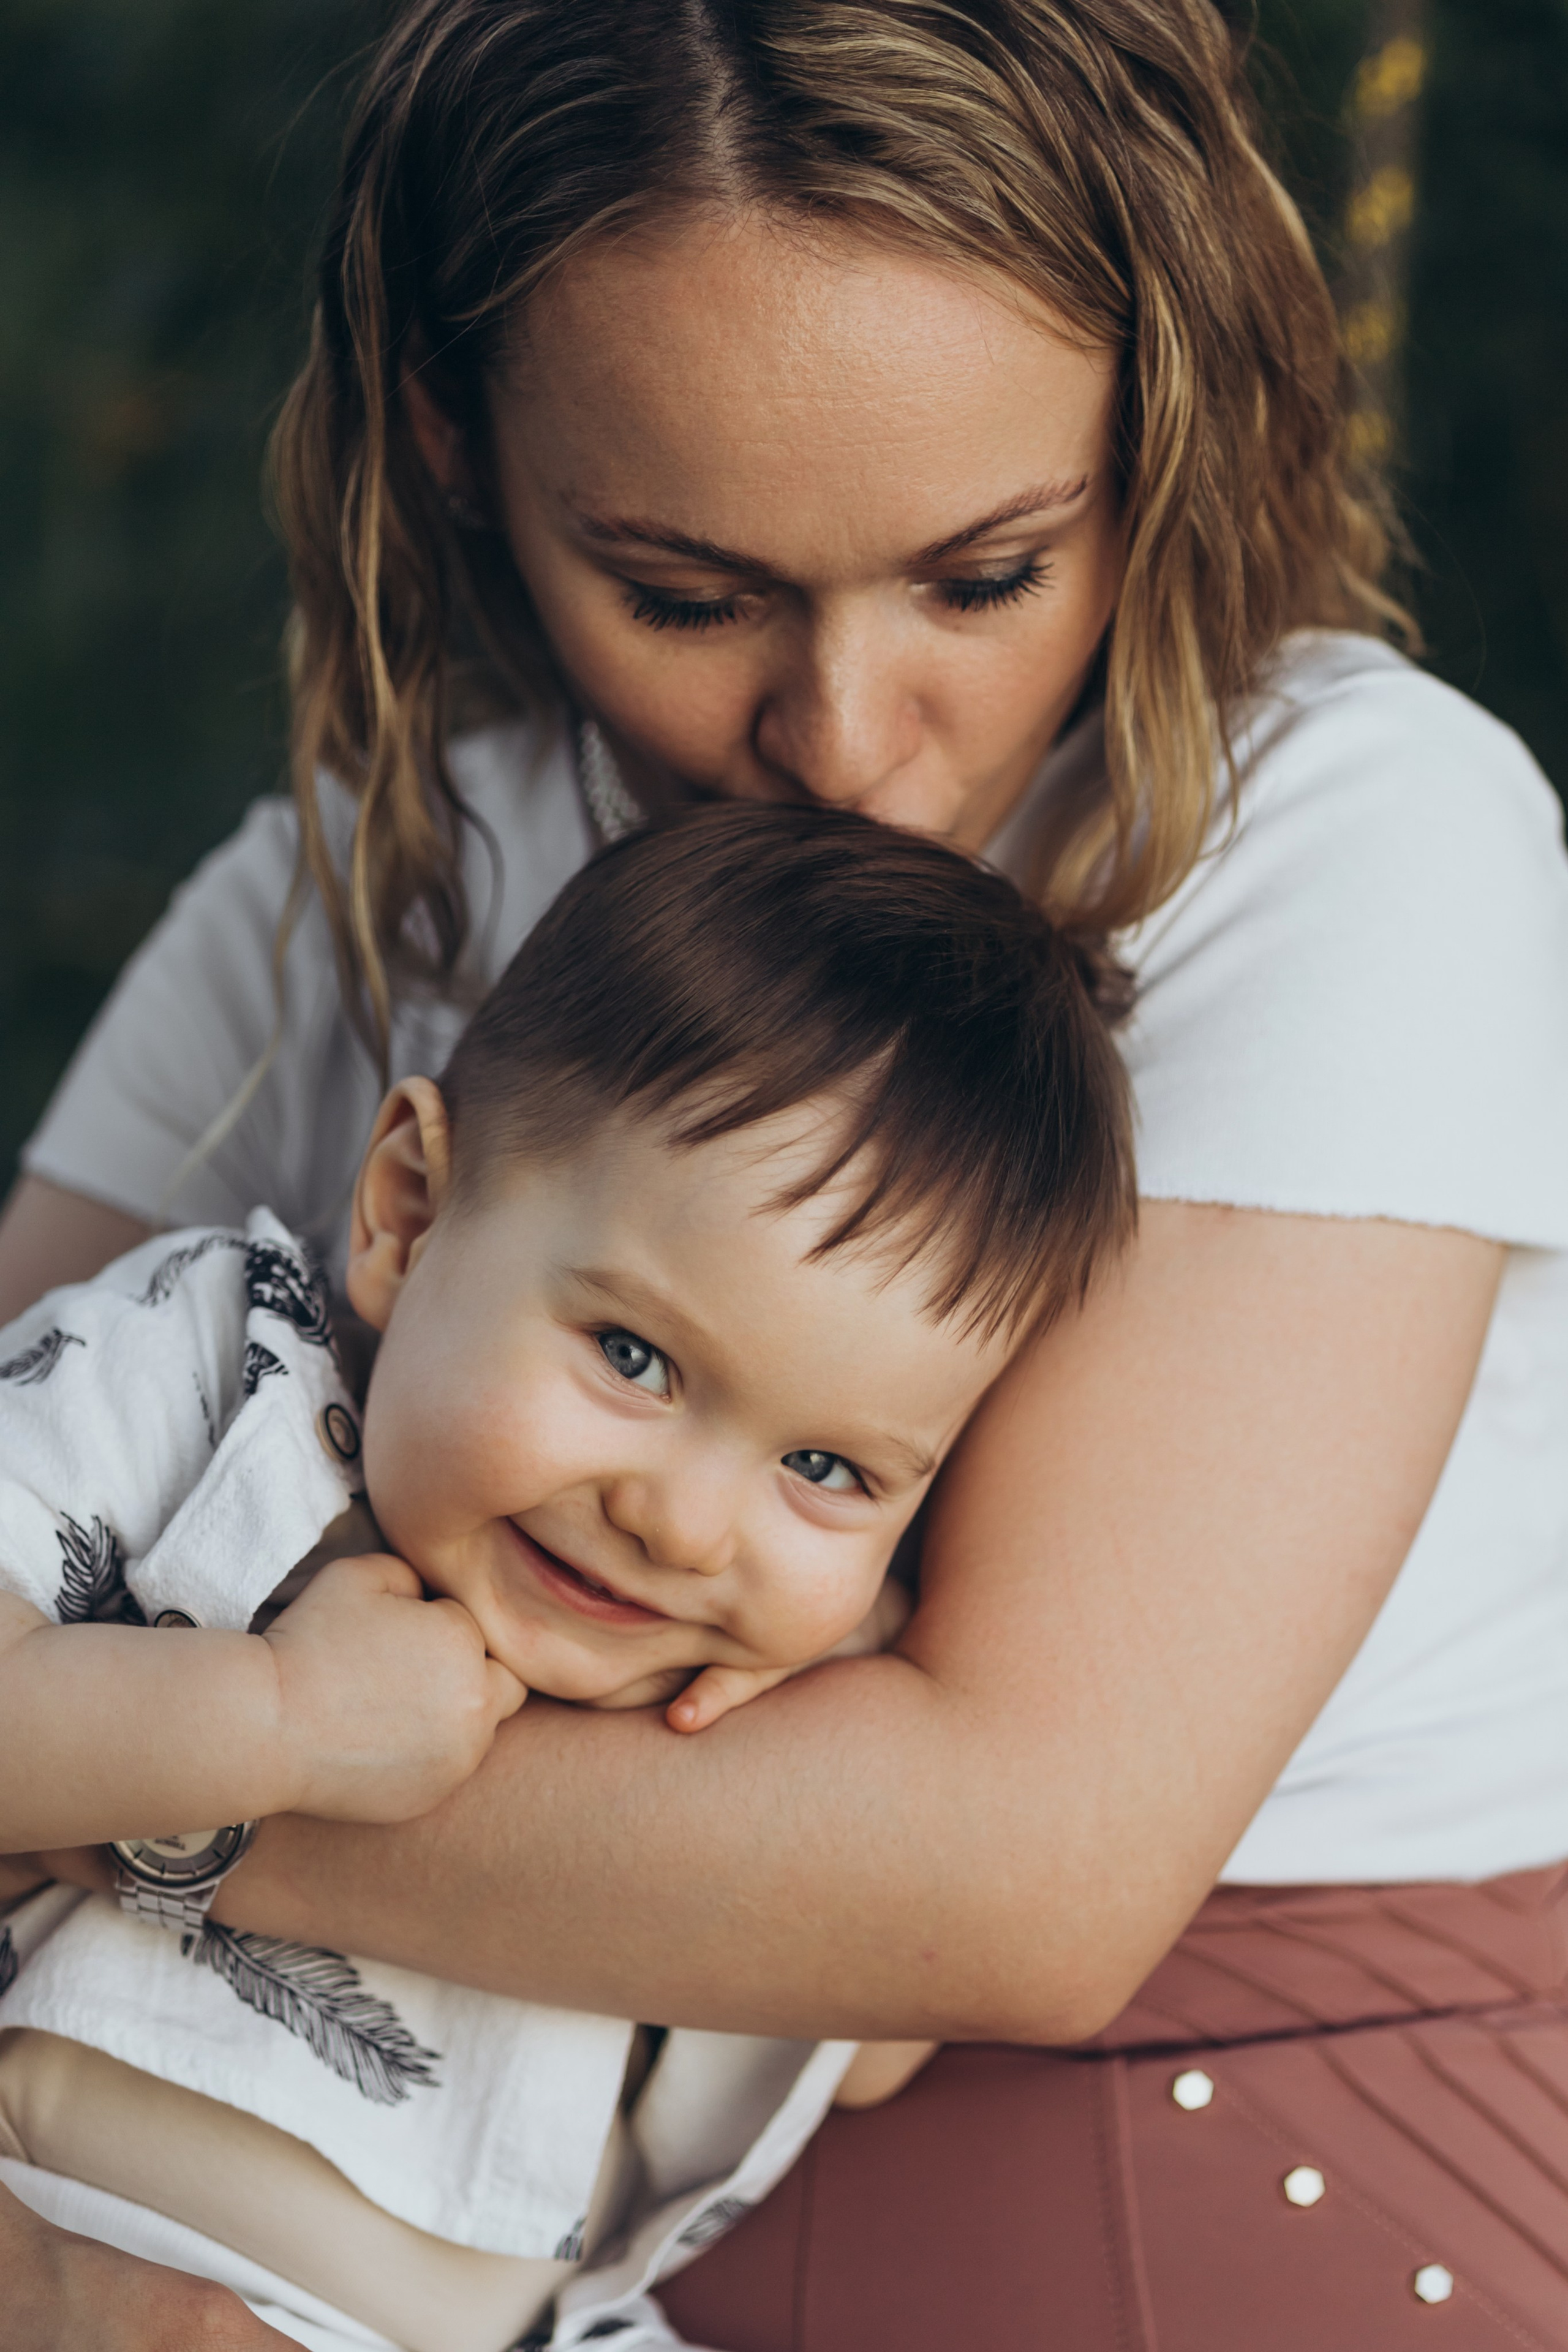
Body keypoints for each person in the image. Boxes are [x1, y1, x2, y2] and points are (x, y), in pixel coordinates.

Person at [2, 1, 1567, 2345]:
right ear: (456, 445)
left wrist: (156, 1772)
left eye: (979, 577)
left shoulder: (1347, 839)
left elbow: (1005, 1885)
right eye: (688, 591)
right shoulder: (384, 870)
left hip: (1236, 2155)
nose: (845, 746)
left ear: (1146, 448)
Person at [0, 807, 1130, 2352]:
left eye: (825, 1471)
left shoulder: (741, 1703)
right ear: (405, 1212)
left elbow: (861, 2054)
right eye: (633, 1355)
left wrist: (832, 1693)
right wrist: (279, 1718)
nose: (682, 1527)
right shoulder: (215, 1365)